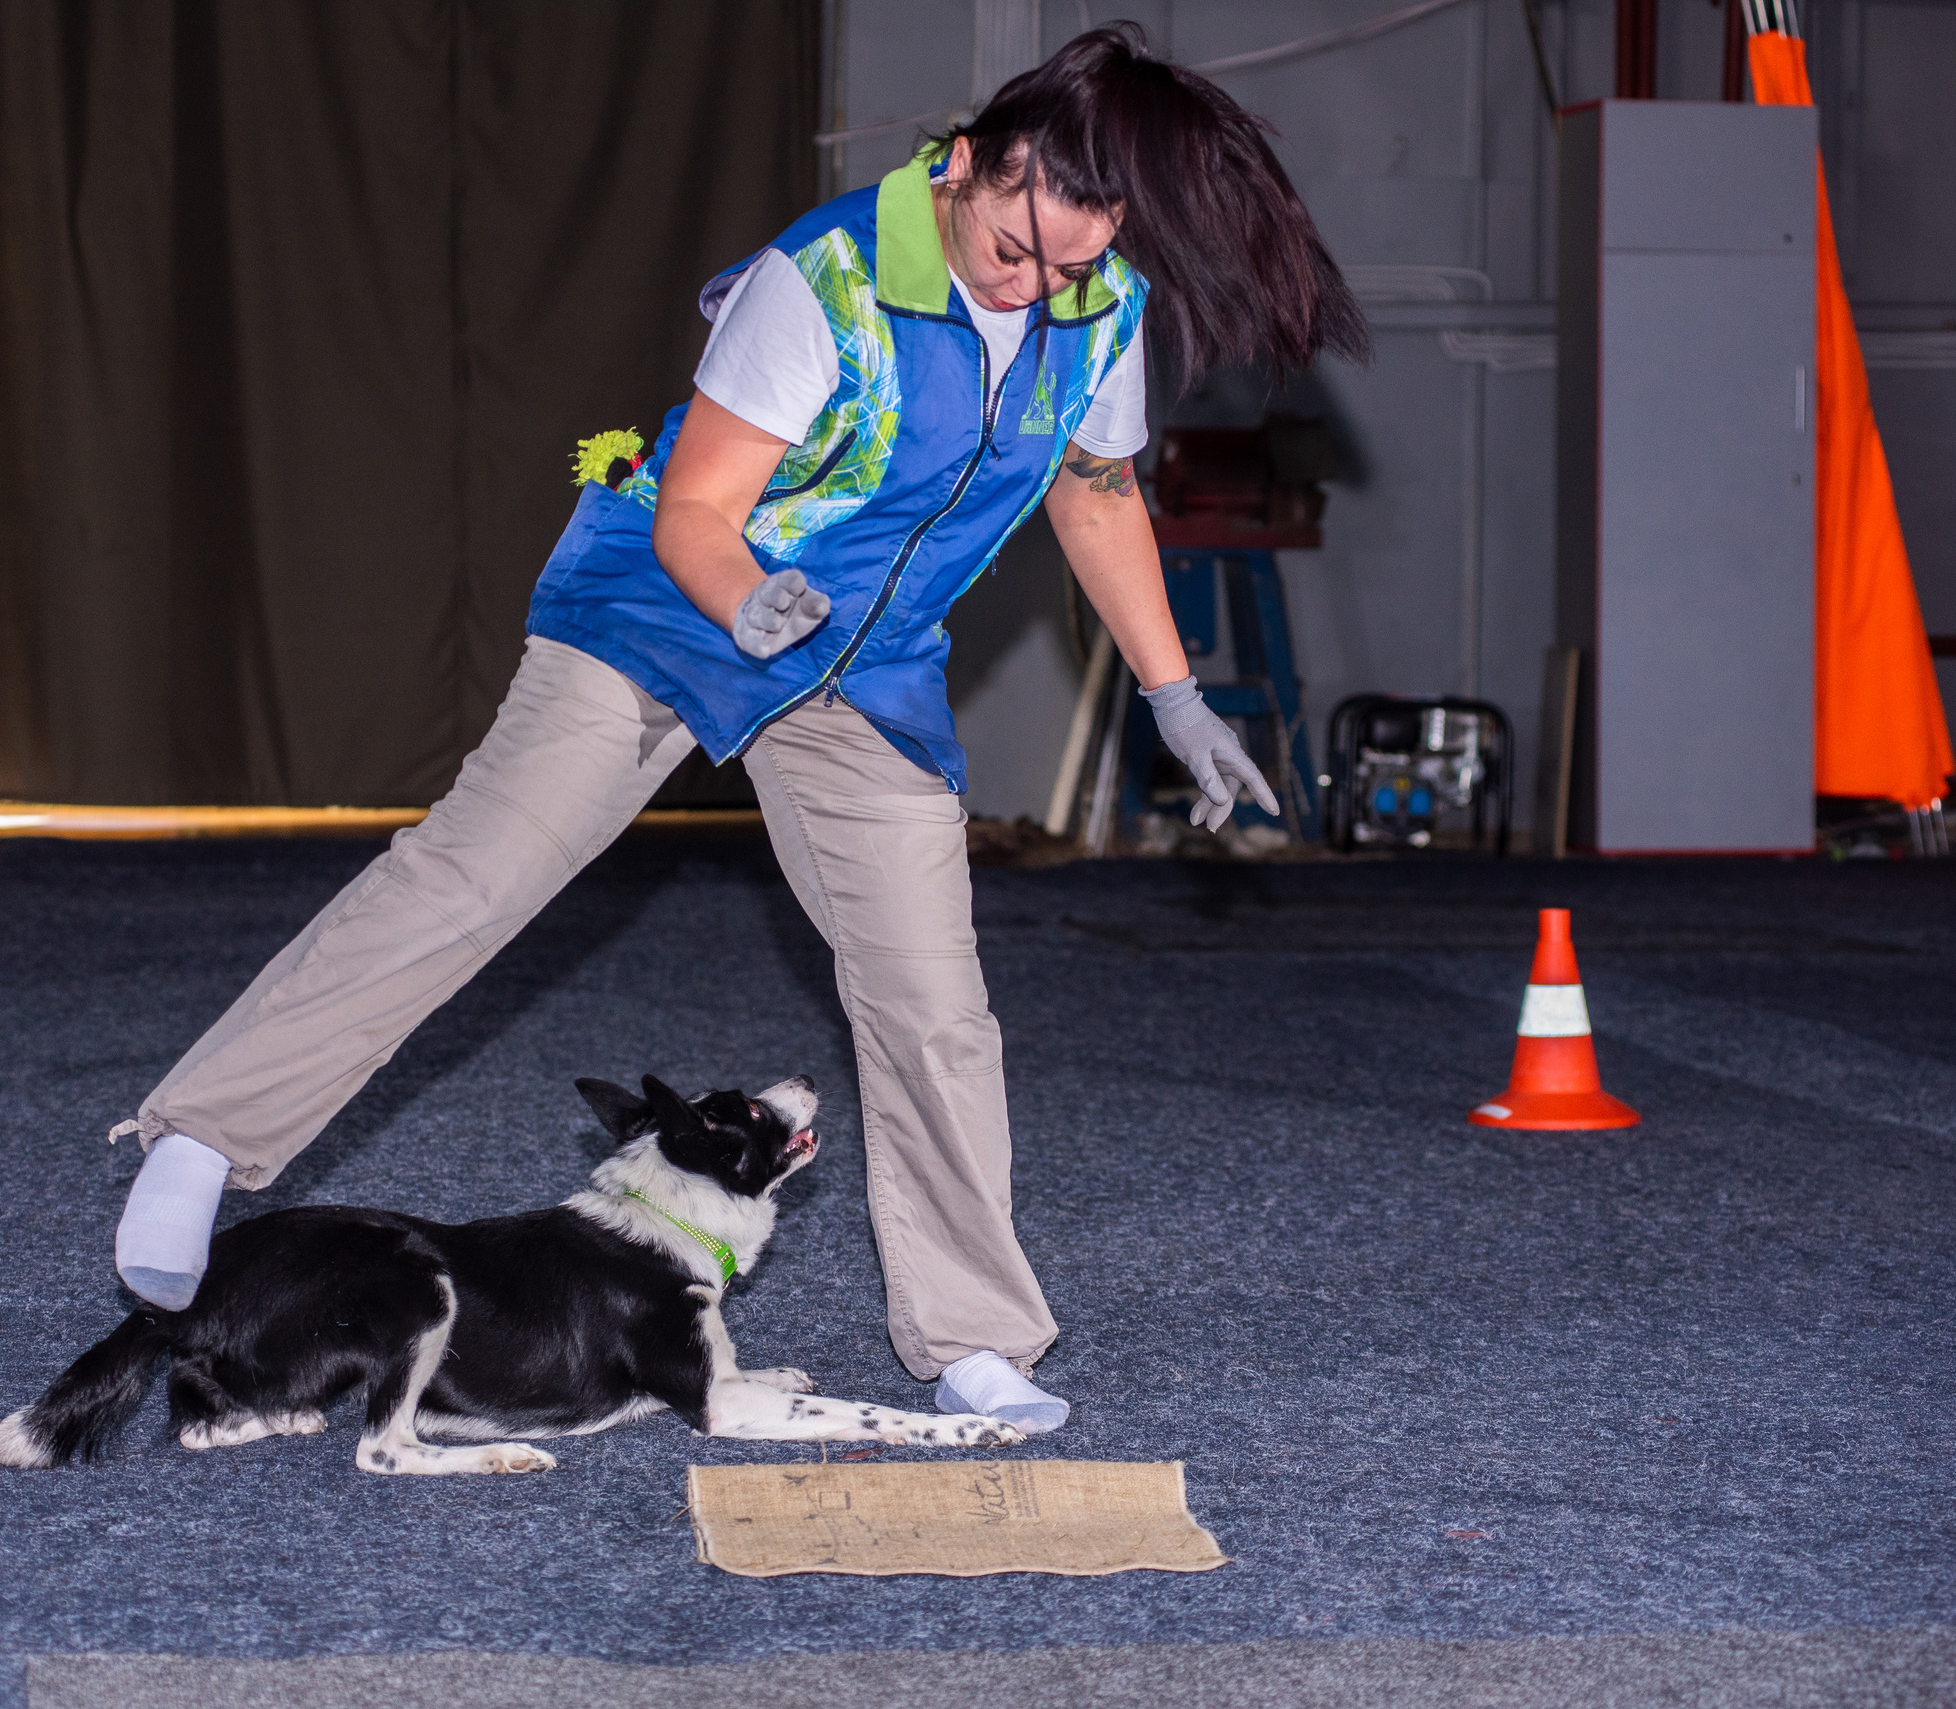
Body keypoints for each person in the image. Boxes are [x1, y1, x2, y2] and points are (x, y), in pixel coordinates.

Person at [108, 28, 1367, 1433]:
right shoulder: (822, 280)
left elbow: (1094, 490)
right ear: (967, 164)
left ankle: (972, 1335)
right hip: (669, 605)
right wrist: (746, 598)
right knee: (475, 874)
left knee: (935, 1008)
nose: (1038, 280)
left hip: (864, 664)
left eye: (1073, 259)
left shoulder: (1098, 310)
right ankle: (205, 1134)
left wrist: (1173, 691)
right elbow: (695, 509)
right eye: (1018, 247)